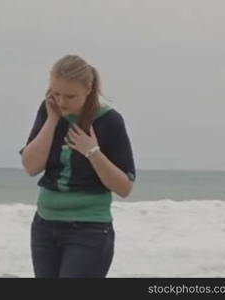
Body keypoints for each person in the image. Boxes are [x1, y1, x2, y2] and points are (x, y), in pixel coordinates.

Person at [18, 54, 136, 278]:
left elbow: (124, 187)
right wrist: (52, 121)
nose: (61, 102)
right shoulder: (49, 111)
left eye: (70, 96)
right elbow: (31, 167)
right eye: (55, 93)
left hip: (89, 229)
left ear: (89, 89)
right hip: (45, 226)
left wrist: (92, 151)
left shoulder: (109, 121)